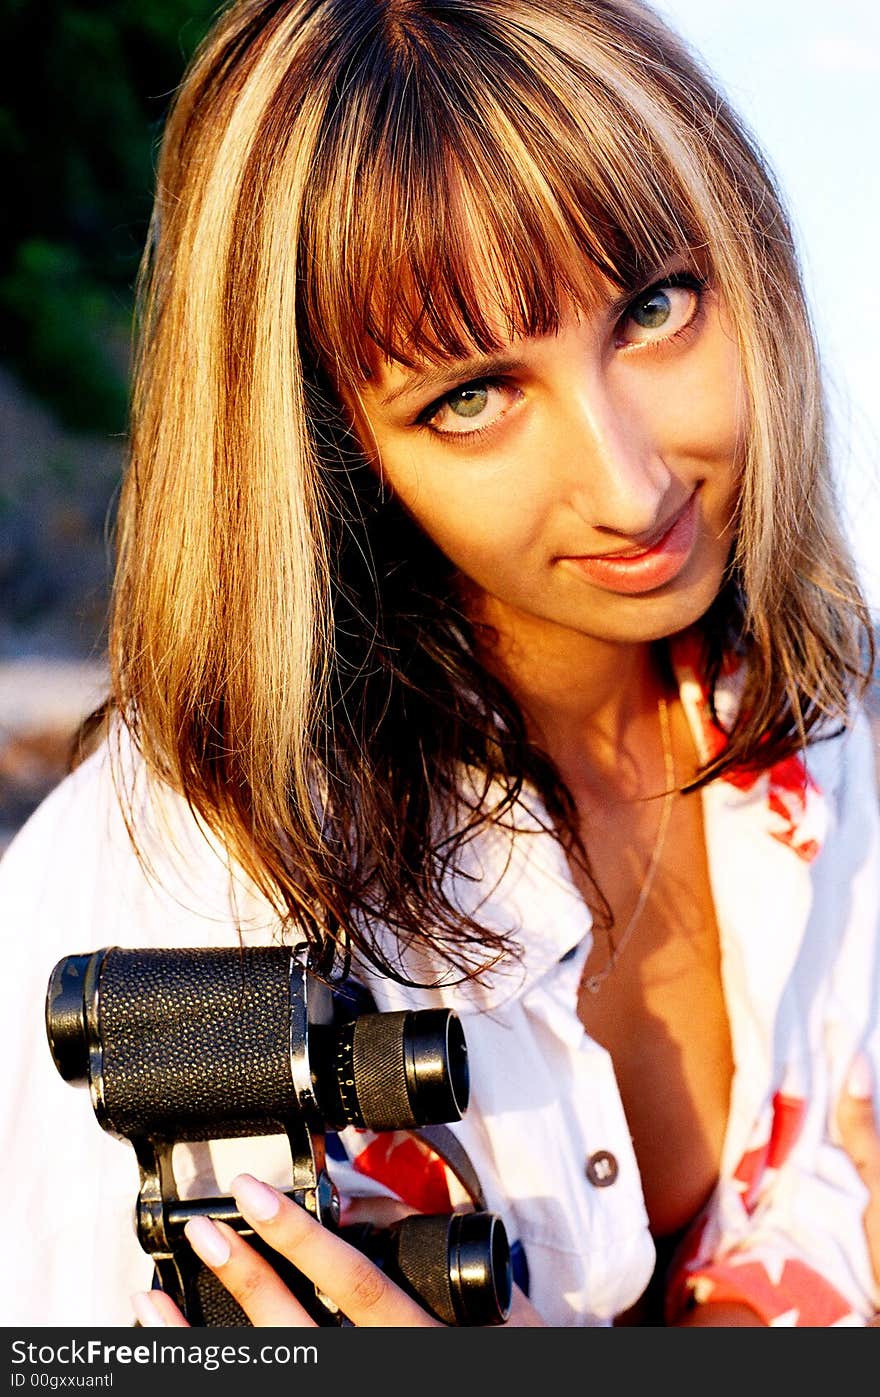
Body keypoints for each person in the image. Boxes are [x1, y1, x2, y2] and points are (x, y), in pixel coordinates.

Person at [1, 0, 879, 1329]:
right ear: (331, 440)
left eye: (655, 308)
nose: (632, 485)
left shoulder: (828, 718)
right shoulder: (163, 896)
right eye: (469, 395)